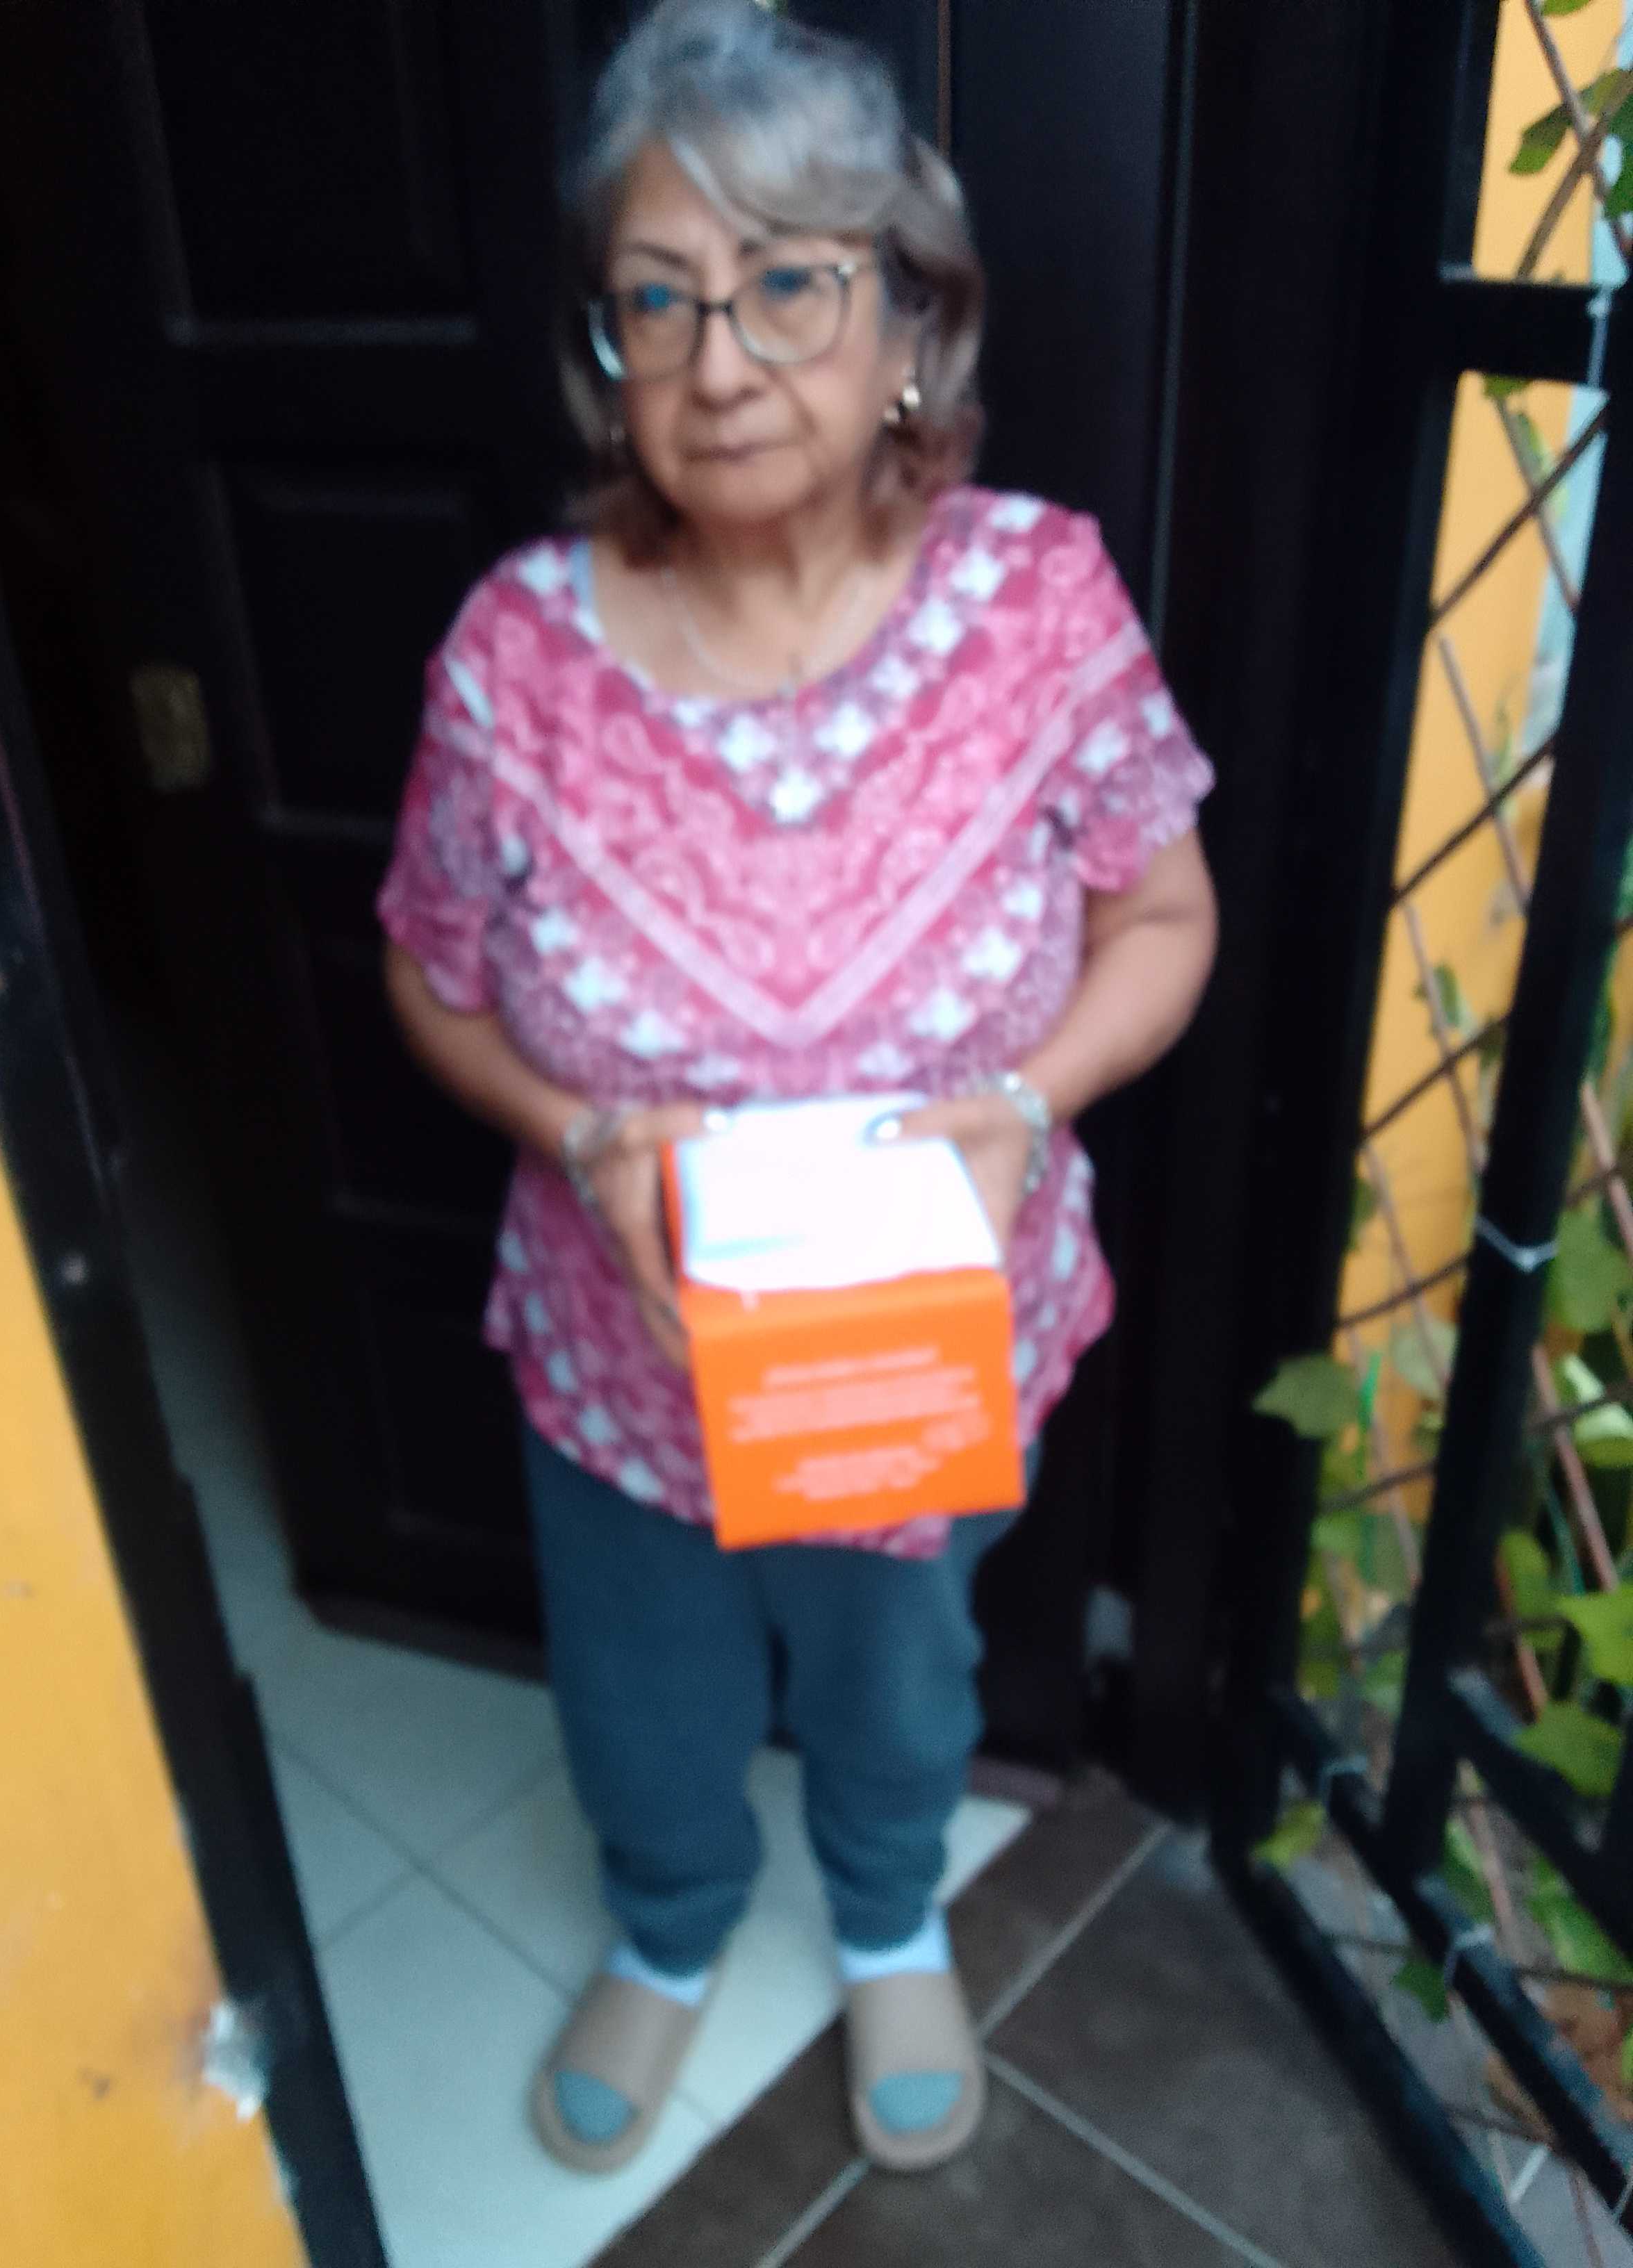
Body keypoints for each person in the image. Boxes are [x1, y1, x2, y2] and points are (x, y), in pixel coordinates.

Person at [378, 0, 1217, 2180]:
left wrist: (1027, 1098)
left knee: (897, 1666)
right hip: (628, 1343)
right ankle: (670, 1926)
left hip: (920, 1350)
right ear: (608, 353)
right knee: (641, 1681)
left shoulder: (1038, 602)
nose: (720, 360)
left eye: (784, 284)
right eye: (657, 299)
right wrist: (581, 1137)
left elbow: (1164, 916)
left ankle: (885, 1913)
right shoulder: (513, 654)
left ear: (908, 316)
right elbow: (429, 978)